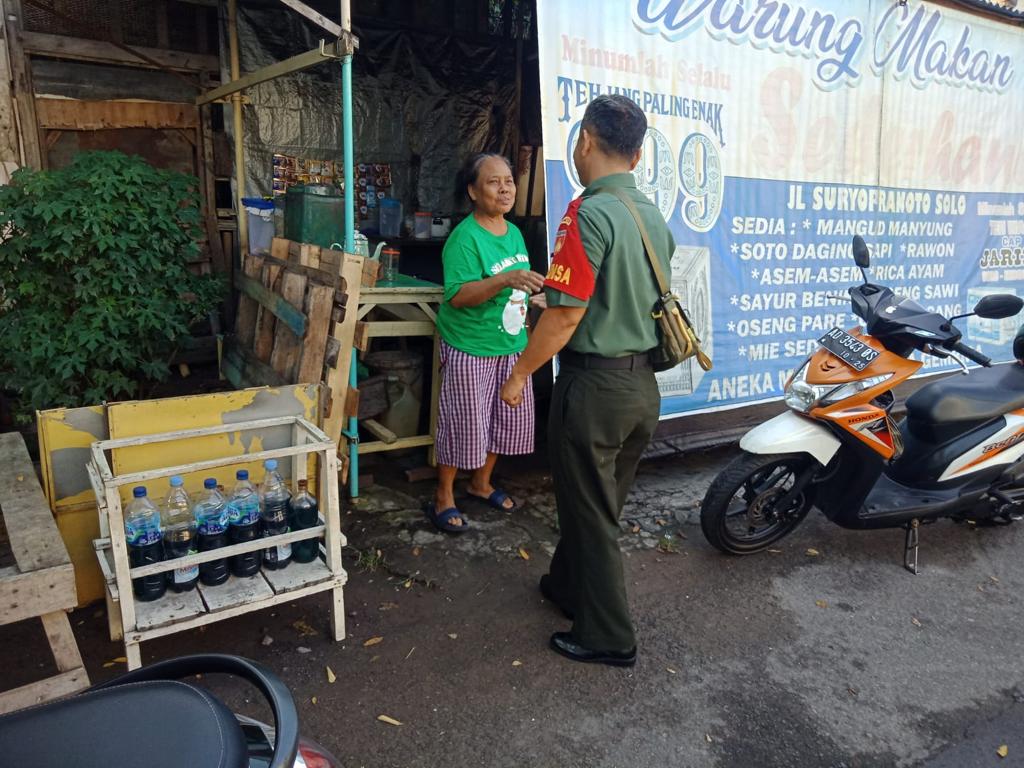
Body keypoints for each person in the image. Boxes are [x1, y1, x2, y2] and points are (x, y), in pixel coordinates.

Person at [500, 95, 674, 666]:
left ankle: (608, 636)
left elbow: (567, 313)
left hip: (594, 390)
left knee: (592, 515)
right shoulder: (650, 215)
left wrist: (521, 372)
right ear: (639, 153)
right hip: (640, 390)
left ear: (584, 142)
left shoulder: (588, 212)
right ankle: (567, 585)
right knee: (598, 504)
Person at [426, 153, 546, 533]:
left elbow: (515, 287)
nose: (505, 188)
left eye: (509, 180)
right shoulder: (465, 238)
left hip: (510, 345)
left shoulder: (513, 233)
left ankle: (480, 483)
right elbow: (457, 295)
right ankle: (443, 495)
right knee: (464, 423)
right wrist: (506, 280)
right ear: (473, 192)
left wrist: (531, 297)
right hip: (470, 345)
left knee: (503, 420)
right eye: (494, 182)